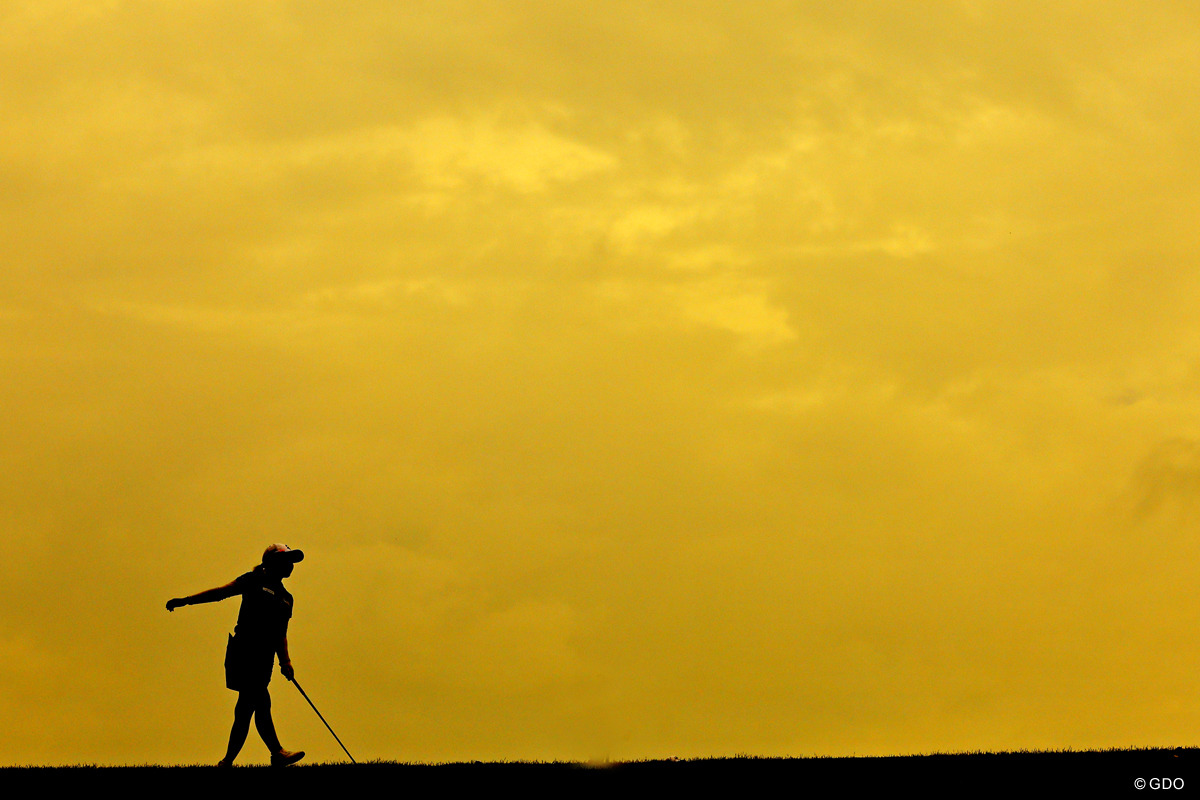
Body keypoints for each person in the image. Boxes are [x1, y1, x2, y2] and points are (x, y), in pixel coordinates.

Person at [167, 543, 306, 767]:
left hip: (265, 659)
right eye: (286, 560)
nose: (290, 565)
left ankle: (228, 762)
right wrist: (185, 600)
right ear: (271, 562)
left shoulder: (286, 598)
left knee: (246, 707)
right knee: (260, 699)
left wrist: (286, 661)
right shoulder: (253, 580)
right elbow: (220, 593)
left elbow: (281, 633)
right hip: (244, 651)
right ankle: (276, 752)